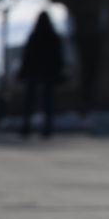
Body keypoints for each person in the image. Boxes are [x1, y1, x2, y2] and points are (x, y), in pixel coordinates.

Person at [18, 10, 65, 139]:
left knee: (29, 101)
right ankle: (47, 128)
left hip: (33, 72)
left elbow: (27, 56)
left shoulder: (34, 36)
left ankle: (26, 127)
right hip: (48, 72)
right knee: (47, 102)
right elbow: (58, 57)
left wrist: (23, 72)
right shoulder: (53, 36)